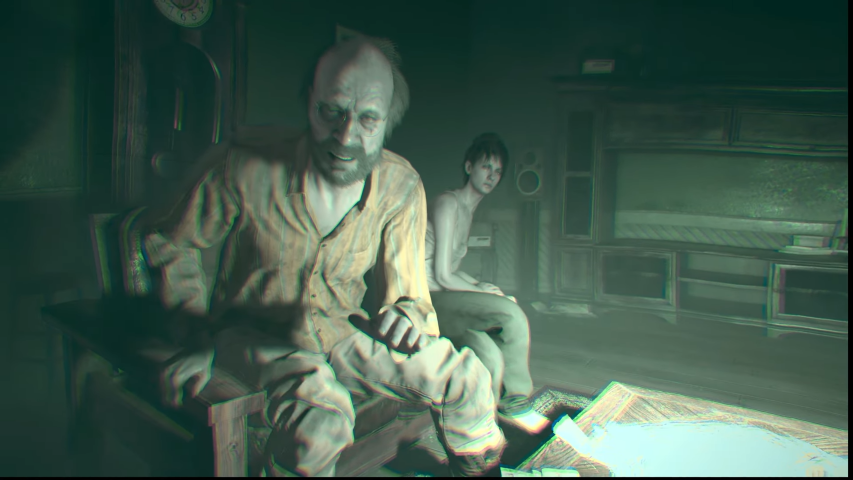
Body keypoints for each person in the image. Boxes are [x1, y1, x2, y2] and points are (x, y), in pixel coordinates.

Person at [138, 35, 505, 477]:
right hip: (258, 336)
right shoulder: (243, 163)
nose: (346, 136)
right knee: (324, 422)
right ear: (309, 101)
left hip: (343, 330)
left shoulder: (400, 186)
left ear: (388, 121)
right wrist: (195, 335)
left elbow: (411, 296)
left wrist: (406, 315)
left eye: (368, 119)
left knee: (466, 378)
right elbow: (169, 241)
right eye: (331, 111)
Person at [424, 133, 549, 434]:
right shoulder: (448, 203)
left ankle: (490, 421)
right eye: (485, 167)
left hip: (443, 294)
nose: (492, 176)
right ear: (469, 167)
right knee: (511, 314)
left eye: (498, 171)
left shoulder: (468, 210)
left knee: (488, 351)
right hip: (426, 298)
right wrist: (484, 293)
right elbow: (441, 276)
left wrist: (483, 285)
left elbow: (451, 269)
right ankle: (517, 401)